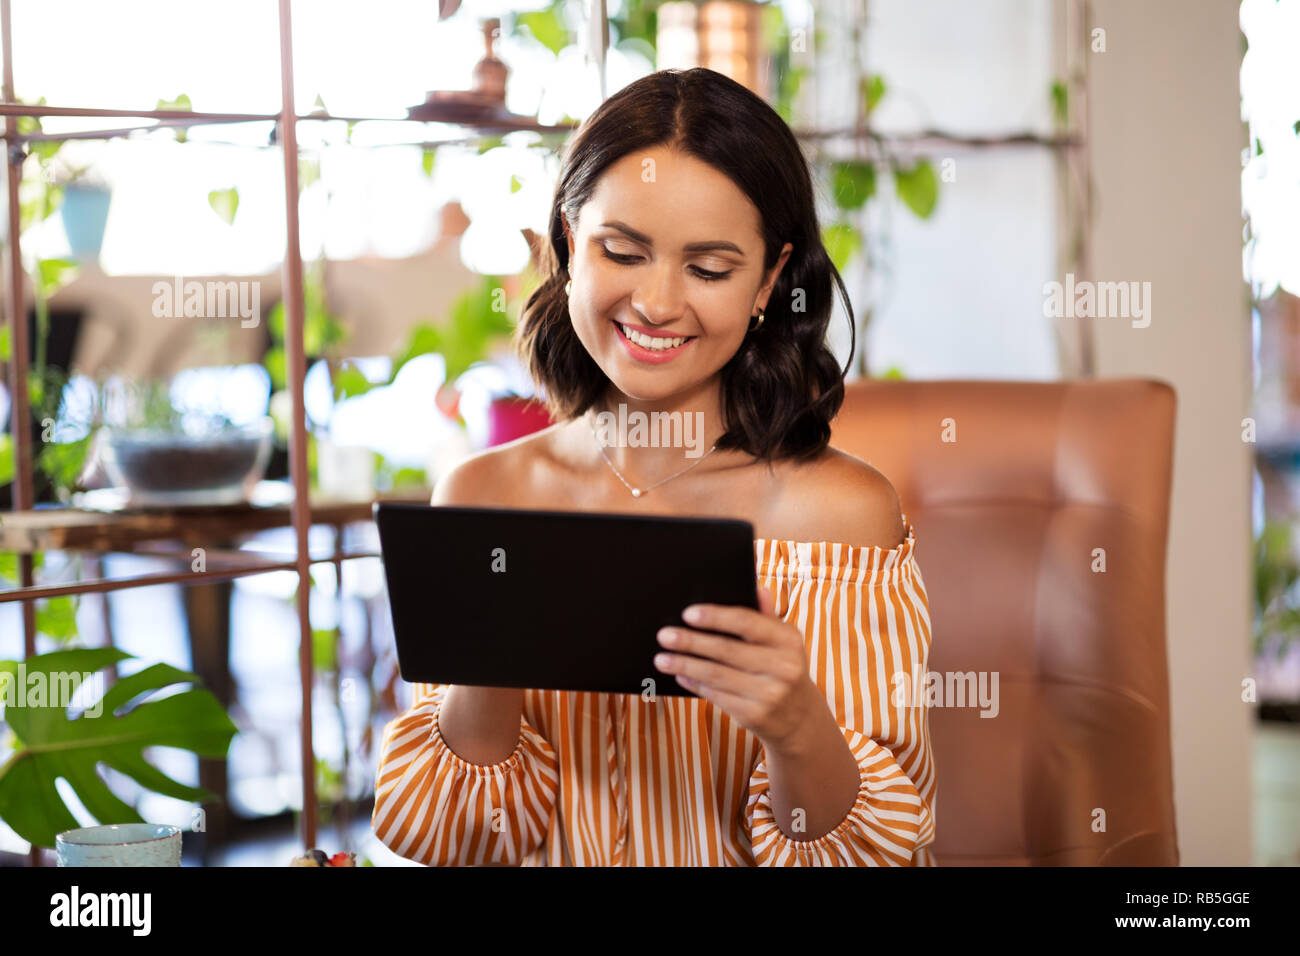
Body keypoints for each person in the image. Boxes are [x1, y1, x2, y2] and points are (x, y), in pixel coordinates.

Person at [371, 67, 935, 866]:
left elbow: (880, 853)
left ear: (770, 281)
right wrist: (487, 665)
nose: (659, 303)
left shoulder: (839, 515)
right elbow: (457, 840)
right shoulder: (483, 496)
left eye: (709, 269)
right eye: (623, 251)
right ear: (568, 243)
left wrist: (796, 723)